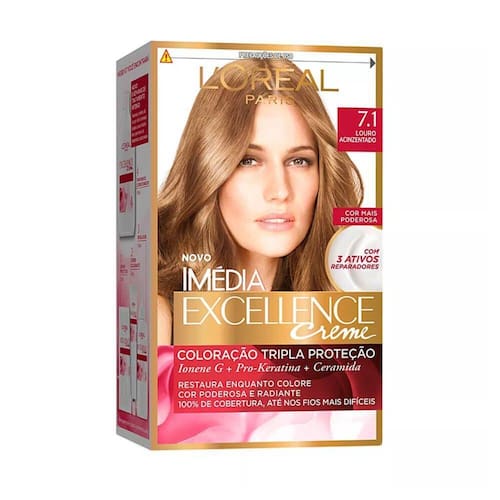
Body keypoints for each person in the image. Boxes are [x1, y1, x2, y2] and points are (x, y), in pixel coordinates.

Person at [157, 58, 363, 345]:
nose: (279, 190)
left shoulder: (348, 301)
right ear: (207, 169)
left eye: (299, 161)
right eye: (248, 160)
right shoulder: (162, 312)